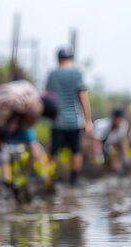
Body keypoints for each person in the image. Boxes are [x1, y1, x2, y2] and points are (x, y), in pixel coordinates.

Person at [45, 48, 92, 186]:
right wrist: (88, 121)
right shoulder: (76, 73)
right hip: (74, 121)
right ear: (71, 59)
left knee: (53, 151)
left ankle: (49, 181)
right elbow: (83, 97)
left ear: (58, 59)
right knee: (76, 150)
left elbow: (48, 97)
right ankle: (74, 181)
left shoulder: (53, 74)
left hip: (57, 121)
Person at [92, 108, 130, 172]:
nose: (119, 121)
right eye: (118, 118)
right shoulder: (102, 125)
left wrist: (125, 154)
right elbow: (96, 141)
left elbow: (123, 140)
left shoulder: (123, 124)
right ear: (113, 117)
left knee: (117, 167)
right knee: (98, 163)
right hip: (97, 144)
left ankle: (111, 164)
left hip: (110, 145)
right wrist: (98, 155)